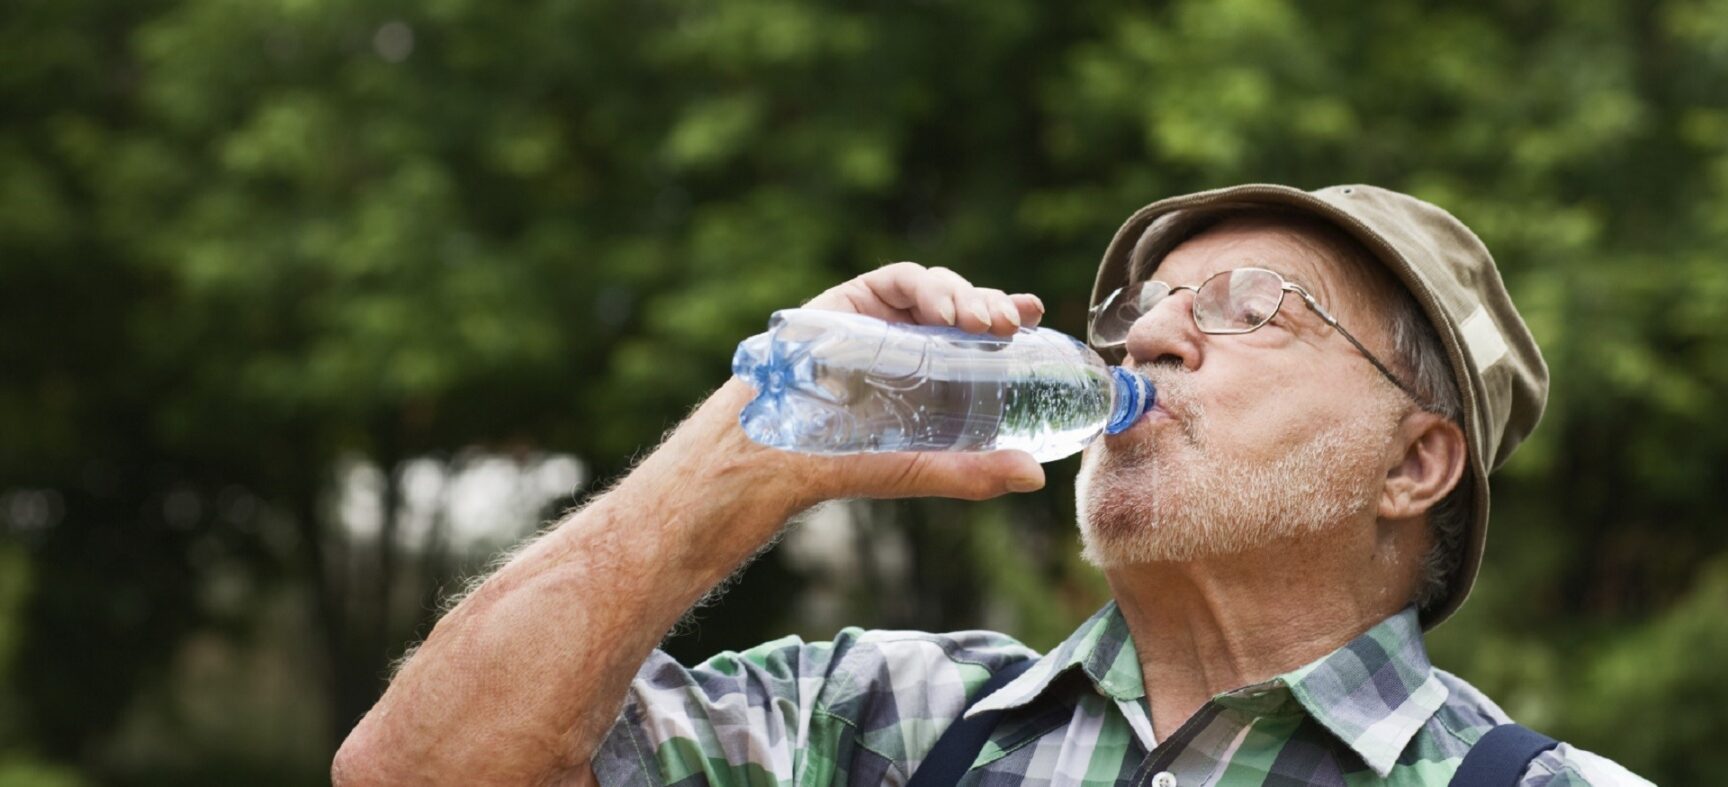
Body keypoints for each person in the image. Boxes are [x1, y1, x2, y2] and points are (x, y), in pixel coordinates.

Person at [332, 184, 1652, 785]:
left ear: (1415, 464)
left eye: (1255, 310)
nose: (1144, 338)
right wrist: (742, 449)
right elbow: (416, 774)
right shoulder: (870, 727)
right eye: (1140, 307)